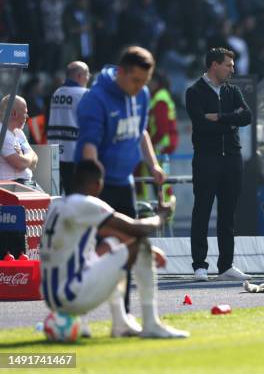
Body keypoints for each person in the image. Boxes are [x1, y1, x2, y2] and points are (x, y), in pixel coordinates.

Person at [40, 159, 188, 339]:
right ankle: (151, 324)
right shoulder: (86, 203)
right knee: (140, 245)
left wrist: (149, 251)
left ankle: (120, 323)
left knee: (111, 243)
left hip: (51, 295)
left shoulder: (57, 204)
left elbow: (108, 231)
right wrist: (161, 216)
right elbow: (136, 228)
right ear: (97, 184)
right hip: (71, 295)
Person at [75, 46, 166, 316]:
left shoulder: (142, 95)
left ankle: (123, 316)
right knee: (95, 252)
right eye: (136, 81)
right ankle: (77, 312)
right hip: (96, 187)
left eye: (144, 82)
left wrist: (154, 165)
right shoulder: (96, 99)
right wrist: (96, 183)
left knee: (128, 251)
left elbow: (141, 133)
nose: (140, 88)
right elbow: (89, 145)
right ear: (122, 73)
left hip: (124, 182)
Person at [186, 47, 252, 282]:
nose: (232, 69)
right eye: (228, 65)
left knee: (228, 215)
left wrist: (220, 117)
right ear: (214, 65)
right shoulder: (194, 92)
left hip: (232, 159)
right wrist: (231, 120)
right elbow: (201, 125)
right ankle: (199, 265)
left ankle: (226, 265)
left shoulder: (232, 90)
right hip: (206, 159)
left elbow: (247, 117)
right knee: (202, 212)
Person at [47, 61, 90, 194]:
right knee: (75, 194)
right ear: (79, 76)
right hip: (75, 153)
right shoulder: (84, 94)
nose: (88, 78)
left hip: (55, 151)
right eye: (87, 75)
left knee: (57, 194)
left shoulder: (57, 93)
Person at [135, 70, 178, 206]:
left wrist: (149, 145)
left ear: (155, 82)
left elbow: (161, 128)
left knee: (161, 184)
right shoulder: (157, 96)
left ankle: (165, 219)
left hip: (160, 148)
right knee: (159, 184)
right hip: (159, 148)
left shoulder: (160, 98)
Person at [0, 95, 40, 190]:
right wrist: (29, 156)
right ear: (14, 114)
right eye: (25, 113)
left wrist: (24, 156)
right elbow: (20, 164)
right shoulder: (2, 133)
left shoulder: (18, 132)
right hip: (11, 186)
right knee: (47, 203)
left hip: (25, 183)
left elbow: (35, 160)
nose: (27, 117)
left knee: (49, 202)